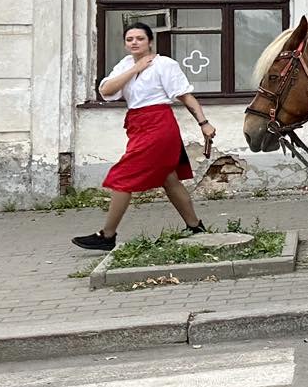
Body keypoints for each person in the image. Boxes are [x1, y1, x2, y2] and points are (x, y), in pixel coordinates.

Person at [72, 23, 210, 250]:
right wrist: (135, 69)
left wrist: (203, 123)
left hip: (159, 125)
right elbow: (106, 90)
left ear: (150, 41)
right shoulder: (125, 65)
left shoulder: (165, 64)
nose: (134, 42)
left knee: (123, 176)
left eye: (139, 38)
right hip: (137, 125)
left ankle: (107, 235)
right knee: (169, 179)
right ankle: (195, 227)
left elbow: (185, 96)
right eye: (129, 39)